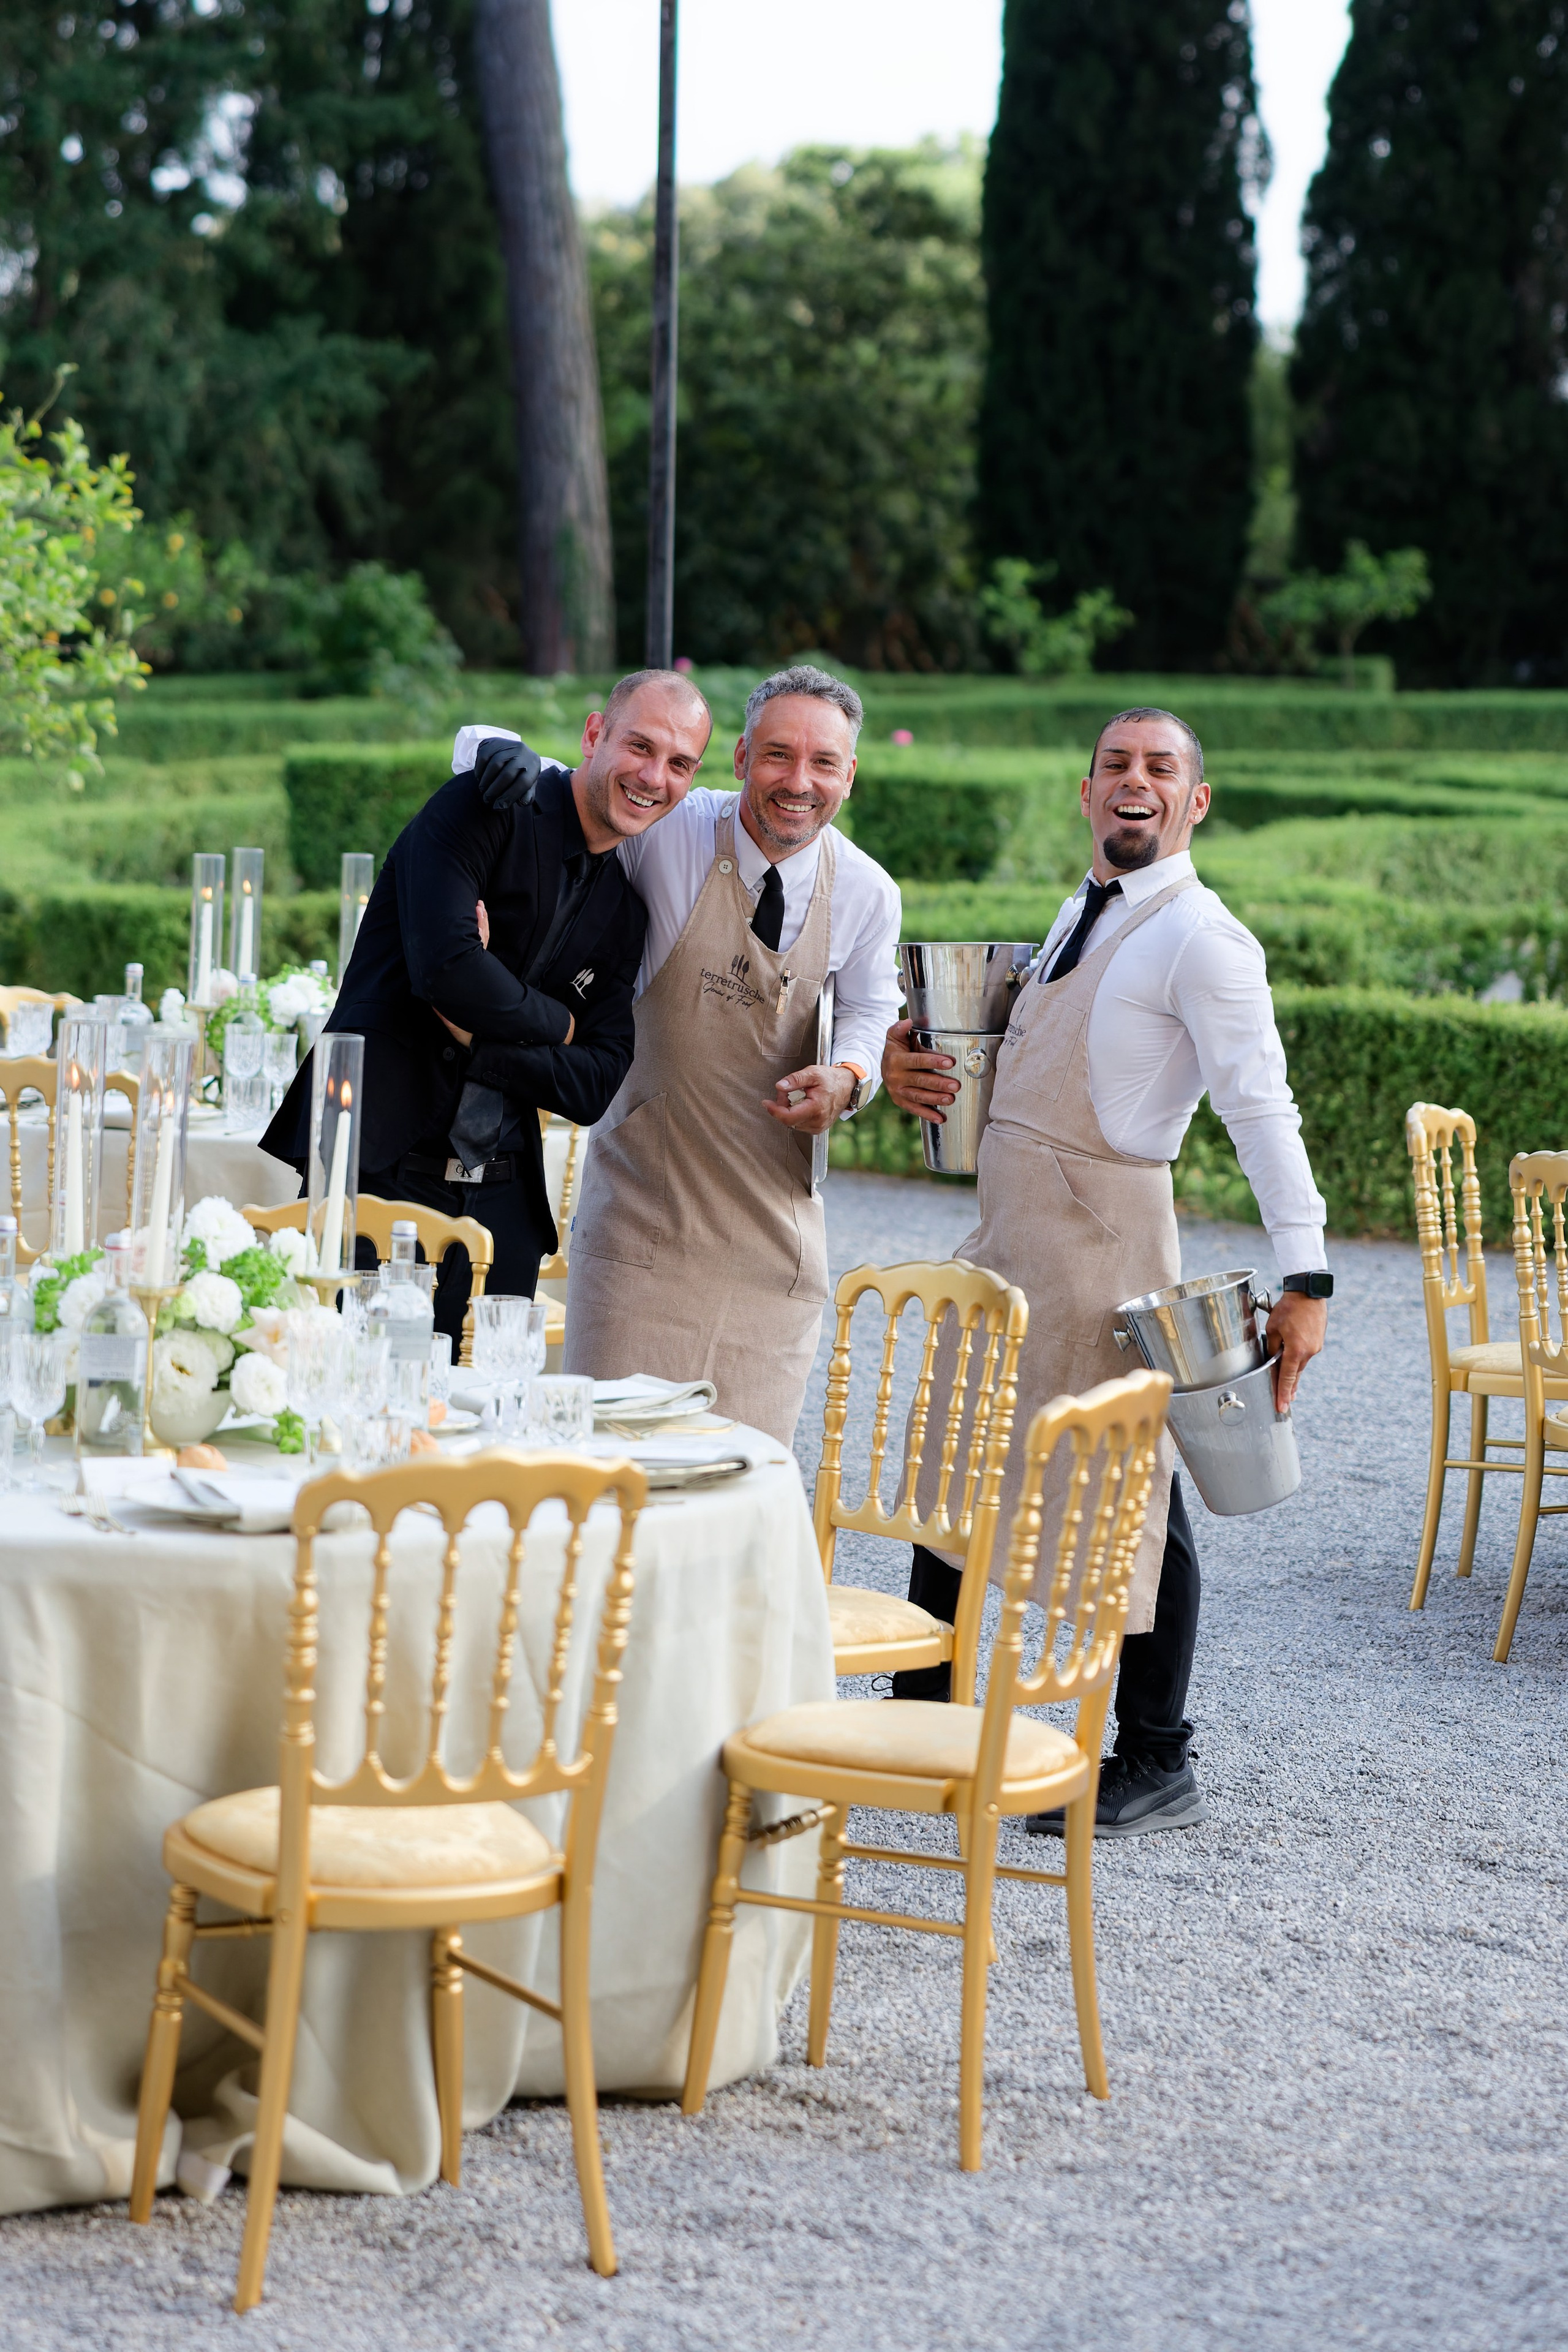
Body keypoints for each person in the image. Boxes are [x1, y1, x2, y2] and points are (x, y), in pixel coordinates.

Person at [880, 705, 1331, 1836]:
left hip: (1103, 1254)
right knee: (956, 1455)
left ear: (1196, 800)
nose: (1136, 780)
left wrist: (1308, 1280)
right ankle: (922, 1707)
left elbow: (1262, 1109)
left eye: (1161, 767)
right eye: (1116, 764)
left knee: (1130, 1490)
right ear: (1087, 793)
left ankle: (1158, 1756)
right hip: (1008, 1244)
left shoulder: (1204, 939)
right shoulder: (1082, 907)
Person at [478, 662, 901, 1447]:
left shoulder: (869, 893)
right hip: (639, 1239)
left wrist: (848, 1077)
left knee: (740, 1488)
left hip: (775, 1253)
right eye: (777, 755)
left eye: (823, 763)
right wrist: (492, 754)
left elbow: (874, 1011)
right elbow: (551, 785)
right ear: (740, 758)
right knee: (610, 1482)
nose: (798, 782)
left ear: (850, 776)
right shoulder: (667, 829)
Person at [261, 669, 710, 1343]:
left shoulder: (624, 910)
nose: (654, 776)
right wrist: (558, 1024)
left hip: (503, 1208)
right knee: (342, 1387)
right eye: (640, 746)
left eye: (679, 764)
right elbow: (448, 973)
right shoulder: (484, 805)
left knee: (486, 1402)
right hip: (374, 1172)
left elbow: (594, 1085)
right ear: (594, 735)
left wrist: (483, 1038)